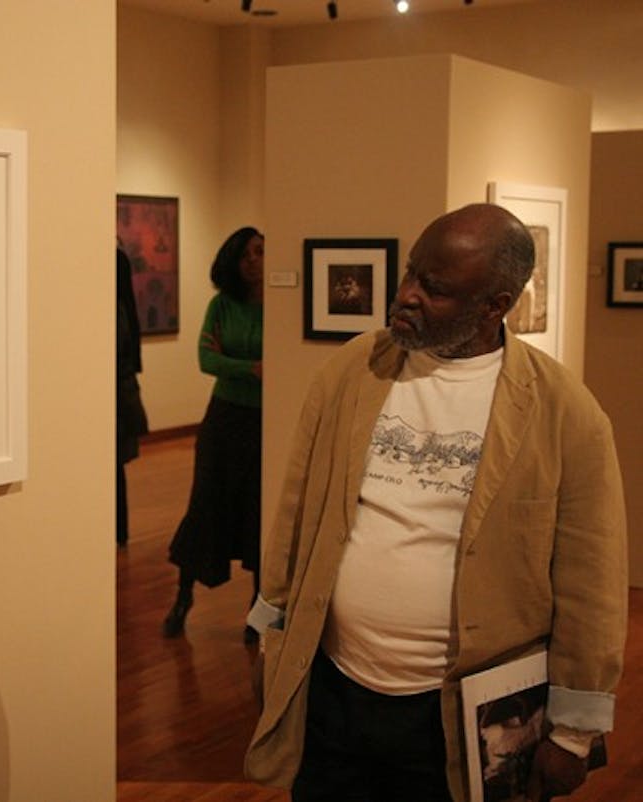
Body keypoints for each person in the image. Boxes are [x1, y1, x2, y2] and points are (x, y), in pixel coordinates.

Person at [244, 204, 627, 802]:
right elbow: (298, 510)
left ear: (494, 305)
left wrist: (575, 732)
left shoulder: (563, 413)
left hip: (462, 713)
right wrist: (268, 634)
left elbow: (591, 579)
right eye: (410, 274)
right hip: (336, 690)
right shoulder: (352, 371)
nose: (407, 296)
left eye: (435, 288)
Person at [163, 226, 265, 641]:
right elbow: (206, 359)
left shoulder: (282, 304)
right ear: (233, 263)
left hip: (264, 421)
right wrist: (252, 369)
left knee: (260, 512)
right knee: (206, 503)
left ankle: (256, 615)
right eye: (247, 255)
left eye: (261, 252)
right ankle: (182, 599)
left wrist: (236, 361)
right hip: (224, 418)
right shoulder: (221, 306)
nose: (256, 261)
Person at [117, 248, 149, 546]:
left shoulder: (117, 312)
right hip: (119, 386)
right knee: (114, 468)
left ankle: (118, 531)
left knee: (113, 466)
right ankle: (118, 531)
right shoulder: (120, 310)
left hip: (117, 389)